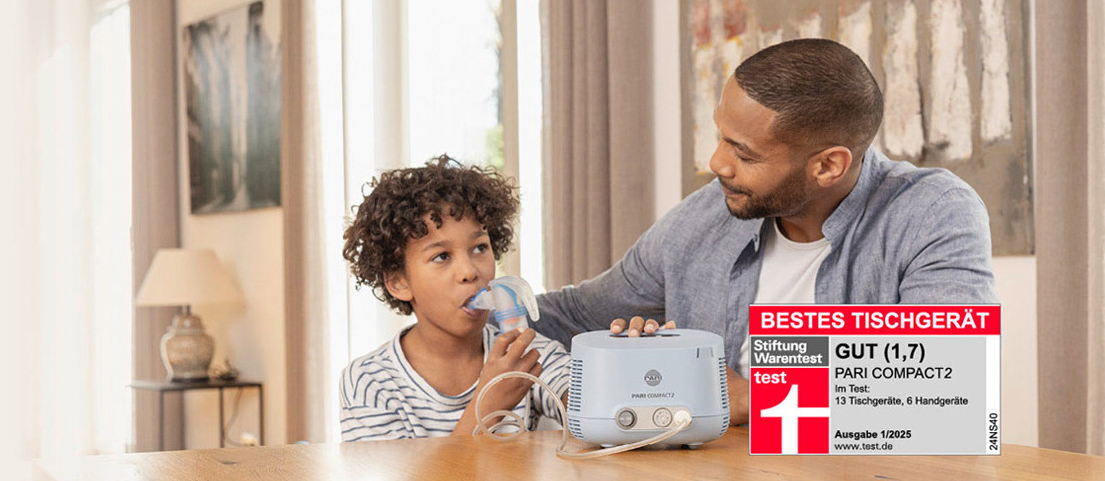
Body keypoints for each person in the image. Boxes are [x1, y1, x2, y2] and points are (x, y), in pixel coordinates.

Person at [529, 38, 997, 425]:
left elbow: (953, 379)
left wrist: (747, 397)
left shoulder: (932, 211)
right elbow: (575, 314)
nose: (716, 163)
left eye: (744, 153)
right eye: (720, 136)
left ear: (828, 165)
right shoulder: (709, 213)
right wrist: (475, 306)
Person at [337, 156, 570, 442]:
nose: (470, 272)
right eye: (441, 256)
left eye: (479, 248)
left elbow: (602, 418)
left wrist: (626, 361)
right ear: (399, 282)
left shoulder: (526, 357)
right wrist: (488, 406)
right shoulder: (370, 383)